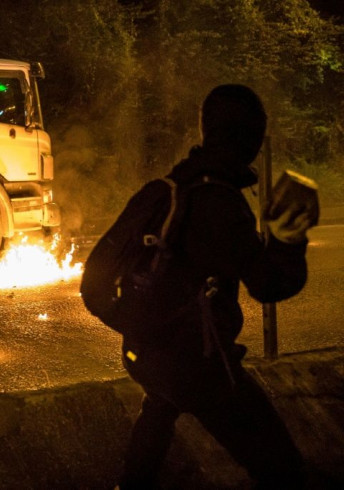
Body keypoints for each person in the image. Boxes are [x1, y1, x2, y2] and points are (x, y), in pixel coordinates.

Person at [117, 85, 315, 488]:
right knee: (281, 465)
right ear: (251, 138)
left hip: (145, 350)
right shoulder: (219, 201)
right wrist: (289, 237)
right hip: (196, 364)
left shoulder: (178, 185)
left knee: (158, 411)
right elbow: (268, 284)